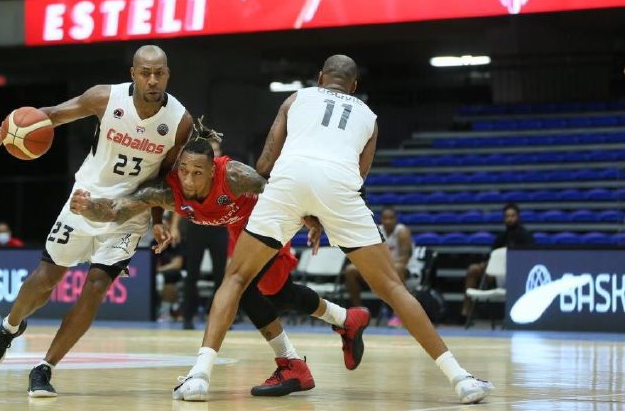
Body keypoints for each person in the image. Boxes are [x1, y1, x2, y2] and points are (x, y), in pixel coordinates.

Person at [173, 55, 494, 404]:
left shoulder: (296, 99)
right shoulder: (369, 118)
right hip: (339, 187)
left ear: (320, 77)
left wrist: (298, 208)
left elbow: (265, 163)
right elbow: (359, 178)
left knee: (235, 280)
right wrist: (322, 214)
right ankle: (461, 379)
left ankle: (199, 378)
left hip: (289, 181)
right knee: (392, 288)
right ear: (354, 87)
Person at [70, 120, 370, 397]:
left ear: (213, 171)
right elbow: (116, 209)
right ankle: (346, 319)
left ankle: (279, 365)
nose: (188, 179)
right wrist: (87, 207)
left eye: (197, 173)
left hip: (266, 221)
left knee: (242, 289)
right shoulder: (168, 192)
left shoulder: (235, 176)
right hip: (238, 232)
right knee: (277, 295)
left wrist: (311, 218)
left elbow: (276, 188)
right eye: (184, 170)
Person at [0, 45, 193, 398]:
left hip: (128, 215)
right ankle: (9, 327)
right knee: (45, 279)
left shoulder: (180, 120)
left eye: (159, 73)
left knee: (95, 287)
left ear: (168, 74)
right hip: (84, 201)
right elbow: (51, 115)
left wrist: (157, 217)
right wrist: (7, 130)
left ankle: (44, 367)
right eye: (145, 72)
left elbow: (165, 174)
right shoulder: (104, 98)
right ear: (133, 74)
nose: (152, 80)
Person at [177, 137, 228, 330]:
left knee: (220, 277)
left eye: (216, 151)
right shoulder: (194, 172)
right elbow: (180, 200)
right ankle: (187, 316)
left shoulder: (226, 174)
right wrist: (174, 226)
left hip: (219, 229)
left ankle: (219, 320)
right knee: (192, 275)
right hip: (196, 228)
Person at [343, 206, 414, 327]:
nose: (388, 221)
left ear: (396, 219)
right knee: (351, 270)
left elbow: (405, 259)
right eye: (385, 218)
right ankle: (359, 312)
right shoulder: (377, 231)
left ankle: (399, 314)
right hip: (382, 268)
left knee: (398, 268)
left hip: (404, 269)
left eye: (391, 218)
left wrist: (382, 266)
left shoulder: (402, 232)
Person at [461, 202, 534, 317]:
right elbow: (492, 258)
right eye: (507, 216)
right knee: (473, 269)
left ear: (518, 217)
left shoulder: (526, 237)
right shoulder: (501, 237)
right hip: (497, 275)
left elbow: (530, 259)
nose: (509, 219)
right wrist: (485, 266)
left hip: (517, 275)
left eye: (512, 216)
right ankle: (465, 313)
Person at [153, 212, 186, 321]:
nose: (165, 225)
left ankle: (166, 310)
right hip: (157, 272)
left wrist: (161, 270)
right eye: (163, 222)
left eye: (166, 222)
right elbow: (152, 262)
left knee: (169, 276)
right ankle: (162, 309)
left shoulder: (176, 242)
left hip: (172, 272)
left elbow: (177, 264)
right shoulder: (154, 242)